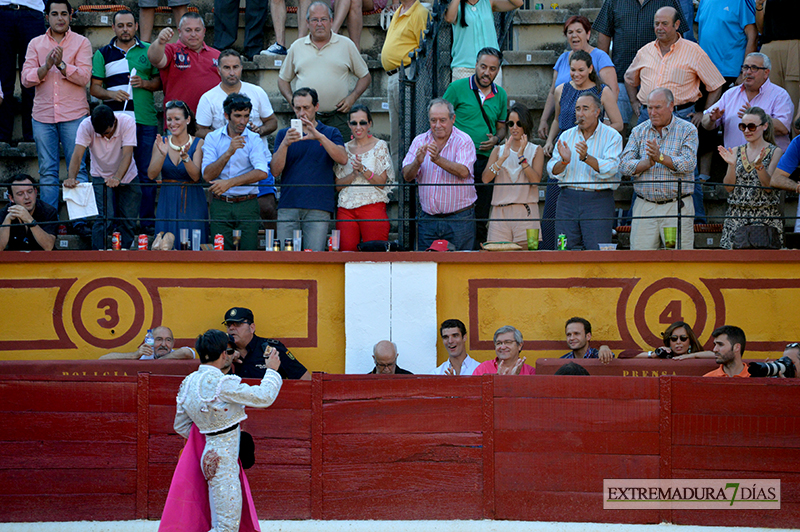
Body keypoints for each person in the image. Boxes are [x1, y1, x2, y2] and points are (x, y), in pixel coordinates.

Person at [170, 329, 282, 532]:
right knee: (226, 527)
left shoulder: (187, 384)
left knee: (218, 522)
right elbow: (264, 396)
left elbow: (180, 426)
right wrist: (272, 371)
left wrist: (209, 431)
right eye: (229, 352)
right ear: (224, 353)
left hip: (206, 456)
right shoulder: (223, 384)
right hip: (224, 462)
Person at [91, 10, 162, 236]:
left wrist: (145, 83)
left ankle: (147, 224)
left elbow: (159, 82)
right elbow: (94, 89)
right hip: (115, 125)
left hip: (145, 120)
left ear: (136, 26)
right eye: (120, 25)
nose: (125, 29)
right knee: (115, 174)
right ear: (113, 28)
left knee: (145, 174)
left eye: (129, 25)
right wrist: (112, 95)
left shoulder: (149, 50)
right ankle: (118, 226)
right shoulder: (102, 53)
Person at [542, 51, 622, 251]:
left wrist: (587, 156)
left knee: (597, 251)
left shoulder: (612, 136)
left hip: (597, 198)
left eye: (585, 109)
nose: (580, 113)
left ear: (597, 111)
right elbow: (552, 168)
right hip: (567, 198)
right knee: (564, 249)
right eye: (578, 109)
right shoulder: (566, 135)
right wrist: (563, 161)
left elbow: (612, 168)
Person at [196, 49, 278, 230]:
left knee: (267, 207)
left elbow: (272, 121)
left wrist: (260, 129)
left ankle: (272, 251)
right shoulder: (208, 98)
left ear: (242, 68)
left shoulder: (256, 92)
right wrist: (224, 135)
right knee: (221, 210)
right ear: (218, 69)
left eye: (235, 67)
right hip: (222, 162)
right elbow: (199, 130)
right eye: (226, 67)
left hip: (256, 158)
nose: (231, 72)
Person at [21, 0, 91, 210]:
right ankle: (49, 222)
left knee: (77, 169)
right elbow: (26, 79)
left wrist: (61, 65)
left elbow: (84, 77)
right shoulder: (35, 44)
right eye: (54, 14)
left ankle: (80, 222)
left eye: (63, 13)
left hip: (75, 115)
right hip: (43, 117)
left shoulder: (81, 42)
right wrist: (46, 66)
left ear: (70, 16)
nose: (60, 18)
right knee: (47, 170)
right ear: (47, 17)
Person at [278, 1, 371, 141]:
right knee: (307, 159)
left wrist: (352, 98)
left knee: (342, 158)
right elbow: (282, 80)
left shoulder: (346, 44)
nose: (319, 24)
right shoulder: (297, 46)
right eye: (315, 20)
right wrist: (293, 102)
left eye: (324, 19)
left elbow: (365, 76)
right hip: (306, 119)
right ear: (307, 23)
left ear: (331, 21)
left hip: (337, 117)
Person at [443, 47, 508, 247]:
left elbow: (502, 127)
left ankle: (477, 252)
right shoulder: (456, 88)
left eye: (492, 68)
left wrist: (496, 139)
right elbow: (441, 117)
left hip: (486, 160)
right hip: (458, 160)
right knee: (456, 207)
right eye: (483, 67)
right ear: (476, 66)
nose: (487, 72)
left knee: (481, 211)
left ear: (498, 70)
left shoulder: (501, 94)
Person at [619, 88, 698, 250]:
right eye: (649, 107)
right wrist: (646, 163)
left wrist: (660, 158)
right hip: (645, 207)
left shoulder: (688, 129)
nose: (652, 112)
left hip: (675, 208)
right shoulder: (639, 131)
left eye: (657, 107)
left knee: (677, 260)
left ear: (671, 106)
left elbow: (689, 163)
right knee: (641, 262)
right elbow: (623, 165)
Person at [271, 87, 348, 252]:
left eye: (306, 107)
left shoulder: (330, 132)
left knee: (315, 259)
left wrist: (319, 136)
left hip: (318, 205)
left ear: (316, 107)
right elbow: (275, 171)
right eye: (297, 108)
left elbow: (342, 158)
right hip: (289, 205)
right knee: (285, 260)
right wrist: (285, 144)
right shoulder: (284, 134)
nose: (302, 112)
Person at [592, 0, 689, 126]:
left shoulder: (668, 1)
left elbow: (678, 33)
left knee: (657, 128)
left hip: (656, 78)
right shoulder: (614, 1)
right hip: (621, 75)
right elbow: (604, 33)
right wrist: (603, 69)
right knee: (616, 126)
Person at [624, 7, 725, 127]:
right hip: (648, 116)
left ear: (676, 25)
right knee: (643, 146)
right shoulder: (645, 51)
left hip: (680, 116)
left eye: (664, 24)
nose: (659, 28)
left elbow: (716, 84)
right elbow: (629, 79)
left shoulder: (694, 51)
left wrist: (704, 113)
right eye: (657, 24)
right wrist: (634, 102)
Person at [402, 98, 477, 251]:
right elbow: (406, 176)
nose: (437, 125)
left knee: (460, 266)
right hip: (428, 219)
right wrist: (417, 162)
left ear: (453, 119)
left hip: (459, 219)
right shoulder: (419, 140)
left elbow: (463, 171)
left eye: (442, 120)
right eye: (433, 120)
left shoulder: (464, 140)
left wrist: (437, 159)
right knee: (426, 269)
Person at [202, 93, 270, 251]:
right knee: (220, 255)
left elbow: (262, 172)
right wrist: (228, 152)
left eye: (246, 116)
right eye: (238, 116)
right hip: (221, 203)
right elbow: (207, 175)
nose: (243, 121)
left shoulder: (254, 139)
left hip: (247, 203)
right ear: (226, 115)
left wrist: (229, 183)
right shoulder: (213, 138)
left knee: (249, 255)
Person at [66, 105, 138, 251]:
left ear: (115, 122)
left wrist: (117, 178)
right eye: (100, 134)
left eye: (107, 133)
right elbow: (78, 154)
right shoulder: (85, 126)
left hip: (128, 174)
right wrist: (71, 177)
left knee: (129, 219)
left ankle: (123, 252)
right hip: (99, 173)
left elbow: (127, 155)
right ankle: (97, 252)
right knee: (105, 217)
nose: (105, 137)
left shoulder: (127, 122)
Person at [538, 15, 619, 142]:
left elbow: (612, 90)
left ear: (588, 34)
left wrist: (607, 121)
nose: (574, 35)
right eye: (570, 32)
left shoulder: (600, 56)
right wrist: (543, 120)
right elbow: (553, 92)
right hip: (567, 126)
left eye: (578, 31)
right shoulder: (563, 58)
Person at [718, 107, 783, 249]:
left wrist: (759, 167)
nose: (747, 131)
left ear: (764, 126)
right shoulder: (735, 151)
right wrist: (732, 165)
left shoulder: (775, 152)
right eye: (743, 126)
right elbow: (729, 187)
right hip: (736, 216)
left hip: (764, 217)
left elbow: (769, 187)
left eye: (752, 126)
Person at [702, 53, 794, 152]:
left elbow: (783, 128)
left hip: (768, 162)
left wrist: (756, 119)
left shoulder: (779, 95)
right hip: (735, 162)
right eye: (745, 67)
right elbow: (705, 122)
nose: (748, 72)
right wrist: (711, 119)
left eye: (754, 68)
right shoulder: (730, 94)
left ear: (766, 73)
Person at [147, 100, 207, 249]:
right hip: (167, 200)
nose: (172, 123)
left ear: (187, 120)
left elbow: (196, 176)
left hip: (192, 201)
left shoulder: (198, 143)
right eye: (169, 119)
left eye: (177, 119)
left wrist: (185, 157)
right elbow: (151, 175)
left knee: (193, 246)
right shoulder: (161, 143)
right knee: (164, 246)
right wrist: (162, 154)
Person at [334, 104, 394, 251]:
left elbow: (381, 183)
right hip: (346, 208)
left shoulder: (380, 145)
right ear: (349, 124)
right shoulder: (344, 148)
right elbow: (337, 186)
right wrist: (354, 174)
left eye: (363, 123)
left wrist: (363, 170)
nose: (358, 127)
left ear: (370, 124)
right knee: (346, 256)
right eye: (354, 123)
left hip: (372, 206)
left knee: (375, 257)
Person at [482, 102, 542, 247]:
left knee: (527, 262)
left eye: (519, 123)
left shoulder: (536, 150)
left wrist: (522, 158)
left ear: (526, 124)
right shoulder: (498, 151)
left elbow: (535, 181)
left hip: (526, 212)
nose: (514, 127)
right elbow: (485, 179)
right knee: (498, 262)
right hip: (500, 213)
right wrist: (501, 159)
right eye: (511, 123)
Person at [380, 0, 430, 170]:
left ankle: (411, 179)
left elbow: (426, 50)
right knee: (396, 133)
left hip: (408, 75)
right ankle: (398, 180)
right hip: (394, 76)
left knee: (409, 130)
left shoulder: (420, 12)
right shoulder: (400, 10)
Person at [147, 12, 221, 113]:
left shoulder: (218, 55)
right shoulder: (171, 50)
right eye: (188, 30)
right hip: (178, 121)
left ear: (204, 32)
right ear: (180, 32)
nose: (193, 34)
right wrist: (160, 42)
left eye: (197, 30)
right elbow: (155, 59)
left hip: (212, 119)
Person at [444, 0, 522, 85]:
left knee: (491, 98)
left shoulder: (488, 2)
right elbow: (449, 18)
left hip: (490, 68)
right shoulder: (456, 5)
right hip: (464, 68)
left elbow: (518, 3)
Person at [224, 307, 311, 380]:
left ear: (252, 327)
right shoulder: (223, 351)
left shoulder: (272, 349)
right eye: (228, 324)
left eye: (237, 324)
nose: (231, 328)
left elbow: (305, 378)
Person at [0, 0, 45, 144]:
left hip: (32, 12)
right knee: (3, 79)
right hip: (3, 12)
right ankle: (3, 135)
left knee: (32, 78)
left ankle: (32, 134)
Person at [695, 0, 757, 85]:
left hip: (730, 72)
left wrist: (745, 72)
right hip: (704, 71)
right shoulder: (704, 1)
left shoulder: (743, 1)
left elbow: (753, 37)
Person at [755, 0, 800, 111]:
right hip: (770, 46)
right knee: (767, 97)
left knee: (793, 98)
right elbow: (761, 28)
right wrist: (759, 6)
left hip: (795, 46)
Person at [0, 173, 57, 251]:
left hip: (42, 260)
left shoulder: (48, 211)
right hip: (15, 260)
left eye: (30, 192)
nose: (27, 197)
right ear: (11, 198)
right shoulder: (4, 213)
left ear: (35, 192)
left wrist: (30, 220)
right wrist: (7, 221)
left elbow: (48, 246)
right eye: (20, 194)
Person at [100, 326, 196, 359]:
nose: (163, 344)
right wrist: (134, 355)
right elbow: (103, 359)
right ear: (151, 342)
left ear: (173, 343)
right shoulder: (145, 356)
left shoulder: (175, 354)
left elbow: (186, 352)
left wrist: (158, 362)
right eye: (158, 339)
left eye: (168, 340)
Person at [634, 321, 714, 359]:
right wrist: (653, 354)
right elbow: (625, 354)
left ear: (690, 341)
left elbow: (715, 355)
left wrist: (691, 356)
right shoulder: (665, 356)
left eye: (683, 338)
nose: (678, 342)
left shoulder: (697, 356)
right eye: (674, 339)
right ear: (669, 341)